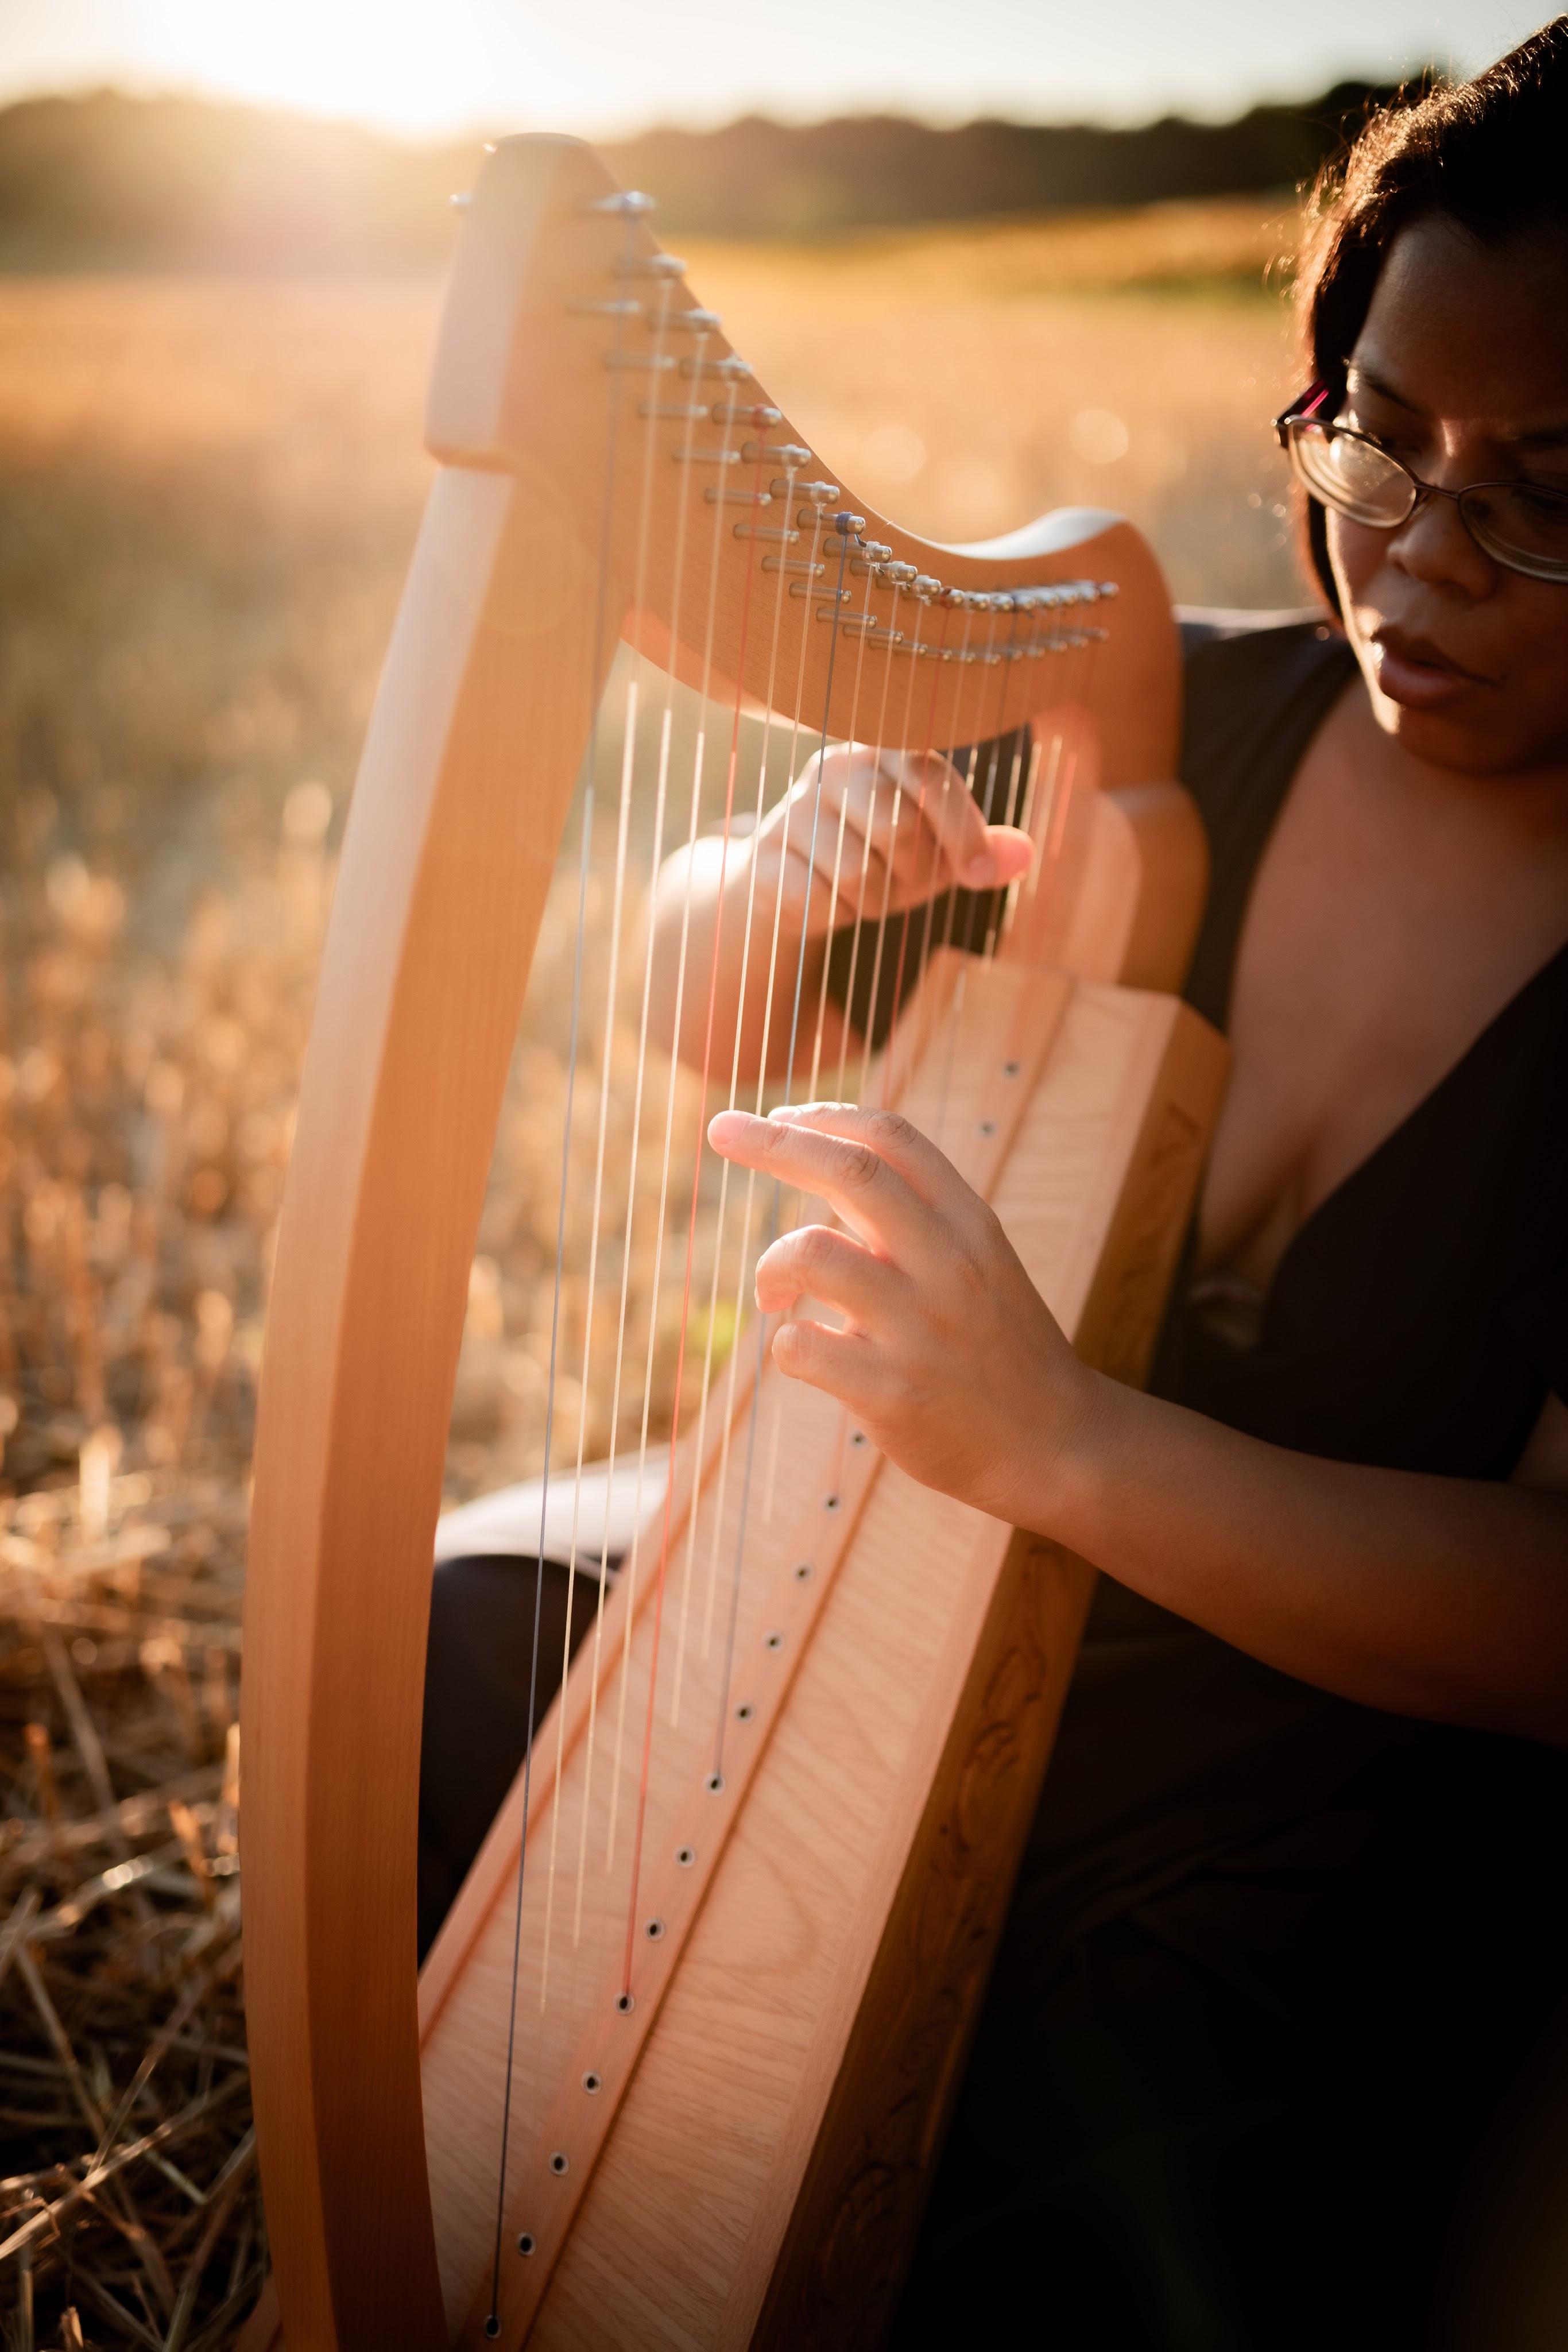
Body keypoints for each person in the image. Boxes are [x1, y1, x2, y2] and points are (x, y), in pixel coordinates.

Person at [682, 27, 1568, 2348]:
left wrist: (1060, 1443)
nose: (1416, 553)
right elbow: (698, 1022)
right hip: (948, 1639)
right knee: (474, 1695)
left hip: (1328, 1825)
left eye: (1540, 492)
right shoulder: (1180, 710)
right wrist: (767, 878)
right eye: (1371, 436)